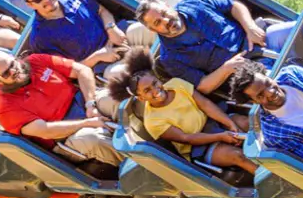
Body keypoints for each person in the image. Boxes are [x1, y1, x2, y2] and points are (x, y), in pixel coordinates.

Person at [104, 56, 253, 174]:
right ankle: (272, 180)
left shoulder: (176, 84)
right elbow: (186, 138)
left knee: (246, 122)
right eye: (147, 90)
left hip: (213, 123)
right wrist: (221, 136)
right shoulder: (153, 121)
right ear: (141, 98)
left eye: (155, 83)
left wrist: (229, 123)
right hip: (199, 144)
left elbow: (205, 105)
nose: (155, 90)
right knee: (237, 156)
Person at [0, 50, 121, 168]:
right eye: (6, 74)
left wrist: (90, 104)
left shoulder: (36, 60)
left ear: (14, 58)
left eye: (12, 65)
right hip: (64, 137)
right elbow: (46, 131)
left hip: (83, 102)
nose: (13, 71)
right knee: (93, 138)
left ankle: (140, 131)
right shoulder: (6, 109)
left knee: (112, 98)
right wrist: (87, 123)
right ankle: (136, 161)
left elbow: (81, 70)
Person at [139, 0, 265, 95]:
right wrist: (226, 68)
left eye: (164, 13)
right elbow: (202, 85)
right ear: (152, 29)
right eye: (158, 22)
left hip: (254, 40)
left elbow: (233, 4)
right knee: (267, 82)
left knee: (283, 32)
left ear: (167, 6)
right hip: (241, 71)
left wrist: (250, 27)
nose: (166, 20)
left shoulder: (196, 0)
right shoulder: (170, 59)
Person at [18, 0, 127, 67]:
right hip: (101, 65)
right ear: (31, 5)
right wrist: (97, 57)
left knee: (139, 29)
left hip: (116, 38)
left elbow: (101, 10)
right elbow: (68, 71)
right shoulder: (39, 38)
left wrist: (111, 28)